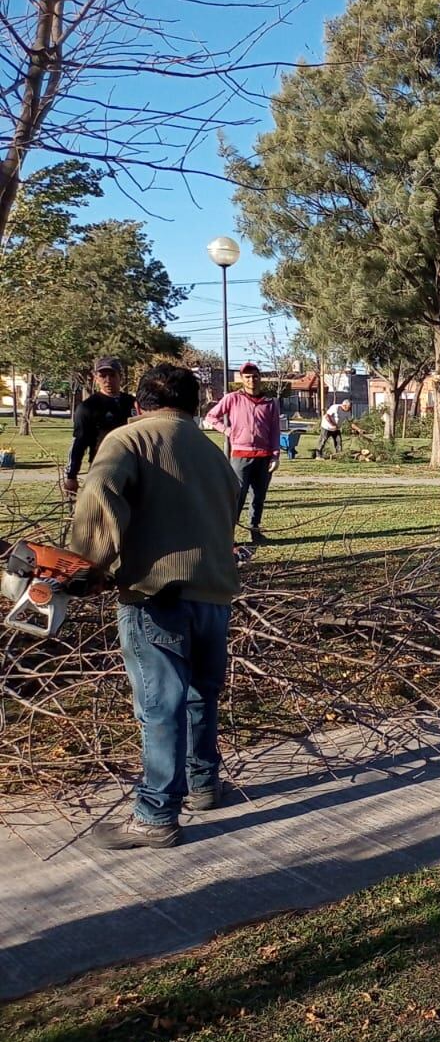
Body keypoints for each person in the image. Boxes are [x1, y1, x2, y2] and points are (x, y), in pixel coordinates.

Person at [70, 363, 241, 850]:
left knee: (159, 705)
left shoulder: (128, 440)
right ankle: (204, 785)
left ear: (140, 403)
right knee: (199, 695)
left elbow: (100, 499)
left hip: (156, 595)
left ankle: (155, 815)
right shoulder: (213, 453)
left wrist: (85, 569)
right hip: (214, 595)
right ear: (192, 405)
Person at [204, 362, 281, 544]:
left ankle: (255, 531)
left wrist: (276, 455)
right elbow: (211, 417)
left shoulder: (270, 403)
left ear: (259, 378)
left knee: (258, 498)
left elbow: (275, 431)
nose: (251, 380)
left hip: (264, 457)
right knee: (237, 497)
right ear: (242, 379)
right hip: (240, 455)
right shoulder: (233, 398)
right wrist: (228, 431)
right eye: (247, 377)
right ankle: (228, 536)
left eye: (254, 376)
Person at [63, 357, 136, 495]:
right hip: (103, 466)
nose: (108, 380)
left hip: (134, 467)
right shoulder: (88, 406)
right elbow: (79, 442)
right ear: (96, 378)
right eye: (103, 375)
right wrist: (71, 476)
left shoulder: (132, 403)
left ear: (120, 376)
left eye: (112, 375)